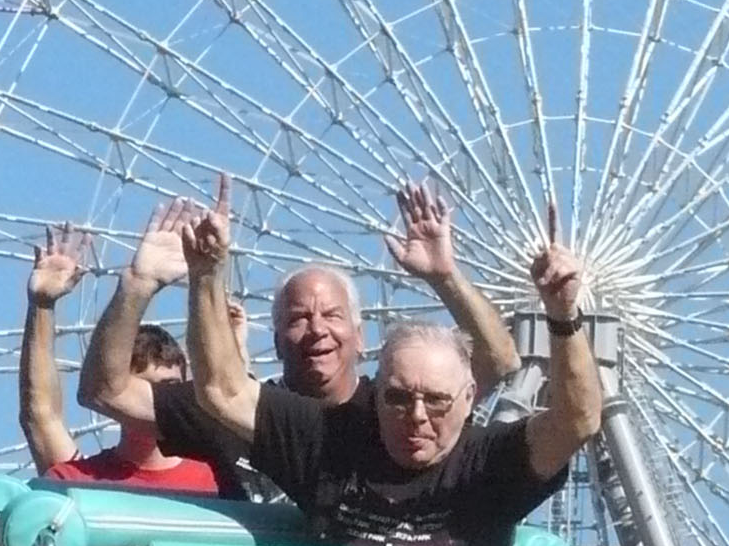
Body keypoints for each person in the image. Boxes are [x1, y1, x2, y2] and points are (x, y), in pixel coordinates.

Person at [86, 190, 601, 546]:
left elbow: (557, 403)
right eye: (398, 399)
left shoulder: (487, 463)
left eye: (436, 401)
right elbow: (210, 391)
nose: (416, 416)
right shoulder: (323, 437)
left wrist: (560, 312)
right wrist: (187, 277)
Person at [173, 174, 522, 409]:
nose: (318, 329)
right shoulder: (262, 413)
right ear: (277, 341)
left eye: (332, 315)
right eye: (298, 319)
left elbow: (499, 361)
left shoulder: (394, 410)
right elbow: (212, 388)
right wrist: (200, 275)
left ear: (361, 336)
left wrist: (445, 277)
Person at [24, 207, 228, 493]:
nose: (154, 399)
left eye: (169, 388)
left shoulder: (222, 480)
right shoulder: (83, 483)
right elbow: (40, 414)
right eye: (140, 386)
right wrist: (42, 307)